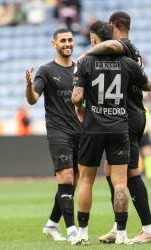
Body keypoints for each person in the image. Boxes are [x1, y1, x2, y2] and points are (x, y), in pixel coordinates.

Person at [71, 20, 151, 245]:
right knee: (120, 183)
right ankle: (123, 234)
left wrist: (80, 108)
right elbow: (146, 86)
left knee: (86, 180)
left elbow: (77, 97)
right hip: (119, 127)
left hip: (93, 127)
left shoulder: (85, 62)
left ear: (94, 39)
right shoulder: (128, 63)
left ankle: (83, 232)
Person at [25, 28, 81, 242]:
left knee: (73, 181)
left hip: (81, 132)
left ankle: (51, 224)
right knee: (66, 177)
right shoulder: (46, 70)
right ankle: (72, 230)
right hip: (59, 131)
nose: (67, 43)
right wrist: (29, 86)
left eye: (70, 40)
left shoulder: (80, 69)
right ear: (53, 44)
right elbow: (33, 99)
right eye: (63, 40)